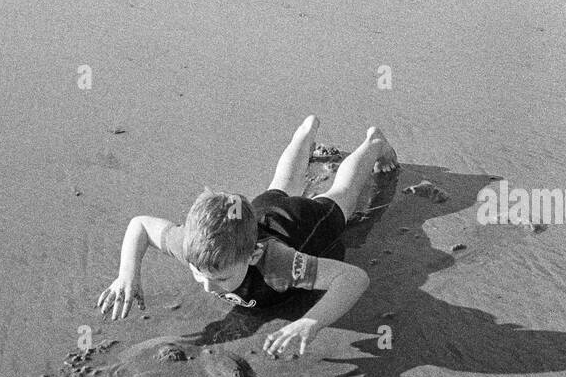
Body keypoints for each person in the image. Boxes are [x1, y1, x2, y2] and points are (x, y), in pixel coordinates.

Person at [97, 116, 398, 358]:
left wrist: (311, 321)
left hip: (302, 225)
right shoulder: (193, 246)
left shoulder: (279, 264)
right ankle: (305, 133)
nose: (206, 286)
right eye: (197, 273)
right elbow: (140, 226)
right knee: (281, 184)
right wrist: (127, 276)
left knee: (341, 197)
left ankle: (373, 143)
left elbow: (353, 279)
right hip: (258, 212)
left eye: (221, 279)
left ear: (253, 256)